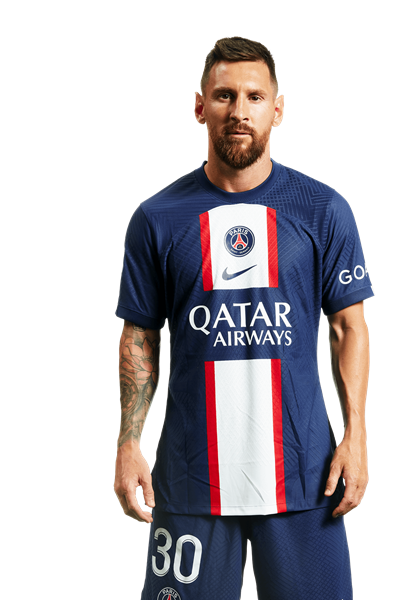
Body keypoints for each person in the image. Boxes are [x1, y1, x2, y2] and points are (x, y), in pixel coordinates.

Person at [114, 36, 373, 600]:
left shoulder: (322, 209)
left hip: (304, 476)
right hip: (192, 477)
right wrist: (128, 442)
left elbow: (349, 327)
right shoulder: (158, 217)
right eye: (224, 95)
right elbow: (139, 335)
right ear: (200, 107)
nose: (239, 111)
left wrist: (356, 437)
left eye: (254, 97)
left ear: (277, 109)